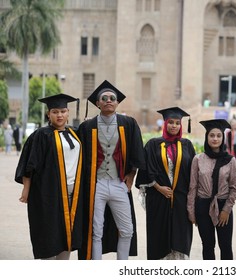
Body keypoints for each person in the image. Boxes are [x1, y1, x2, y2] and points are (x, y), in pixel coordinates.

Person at [77, 80, 145, 260]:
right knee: (95, 230)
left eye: (112, 98)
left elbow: (137, 151)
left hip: (118, 183)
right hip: (96, 184)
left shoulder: (128, 124)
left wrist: (131, 175)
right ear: (97, 103)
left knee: (127, 229)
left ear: (117, 103)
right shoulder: (87, 126)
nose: (108, 100)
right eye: (104, 98)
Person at [14, 94, 83, 259]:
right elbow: (29, 165)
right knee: (48, 233)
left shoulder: (74, 133)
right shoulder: (41, 135)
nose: (59, 115)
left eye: (63, 111)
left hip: (73, 194)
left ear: (68, 113)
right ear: (48, 114)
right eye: (55, 112)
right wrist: (26, 190)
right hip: (48, 193)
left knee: (67, 233)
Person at [135, 107, 195, 260]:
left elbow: (194, 173)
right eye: (171, 122)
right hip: (158, 199)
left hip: (181, 200)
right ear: (165, 123)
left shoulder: (187, 145)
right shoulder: (153, 144)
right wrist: (159, 187)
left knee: (180, 238)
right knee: (159, 237)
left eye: (177, 123)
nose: (174, 126)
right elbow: (145, 170)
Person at [187, 119, 236, 259]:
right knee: (208, 246)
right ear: (207, 137)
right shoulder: (198, 159)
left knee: (226, 246)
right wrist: (191, 211)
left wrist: (226, 210)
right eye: (212, 135)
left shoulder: (230, 160)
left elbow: (234, 188)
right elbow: (193, 187)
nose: (215, 139)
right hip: (203, 207)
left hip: (223, 205)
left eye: (218, 135)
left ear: (223, 138)